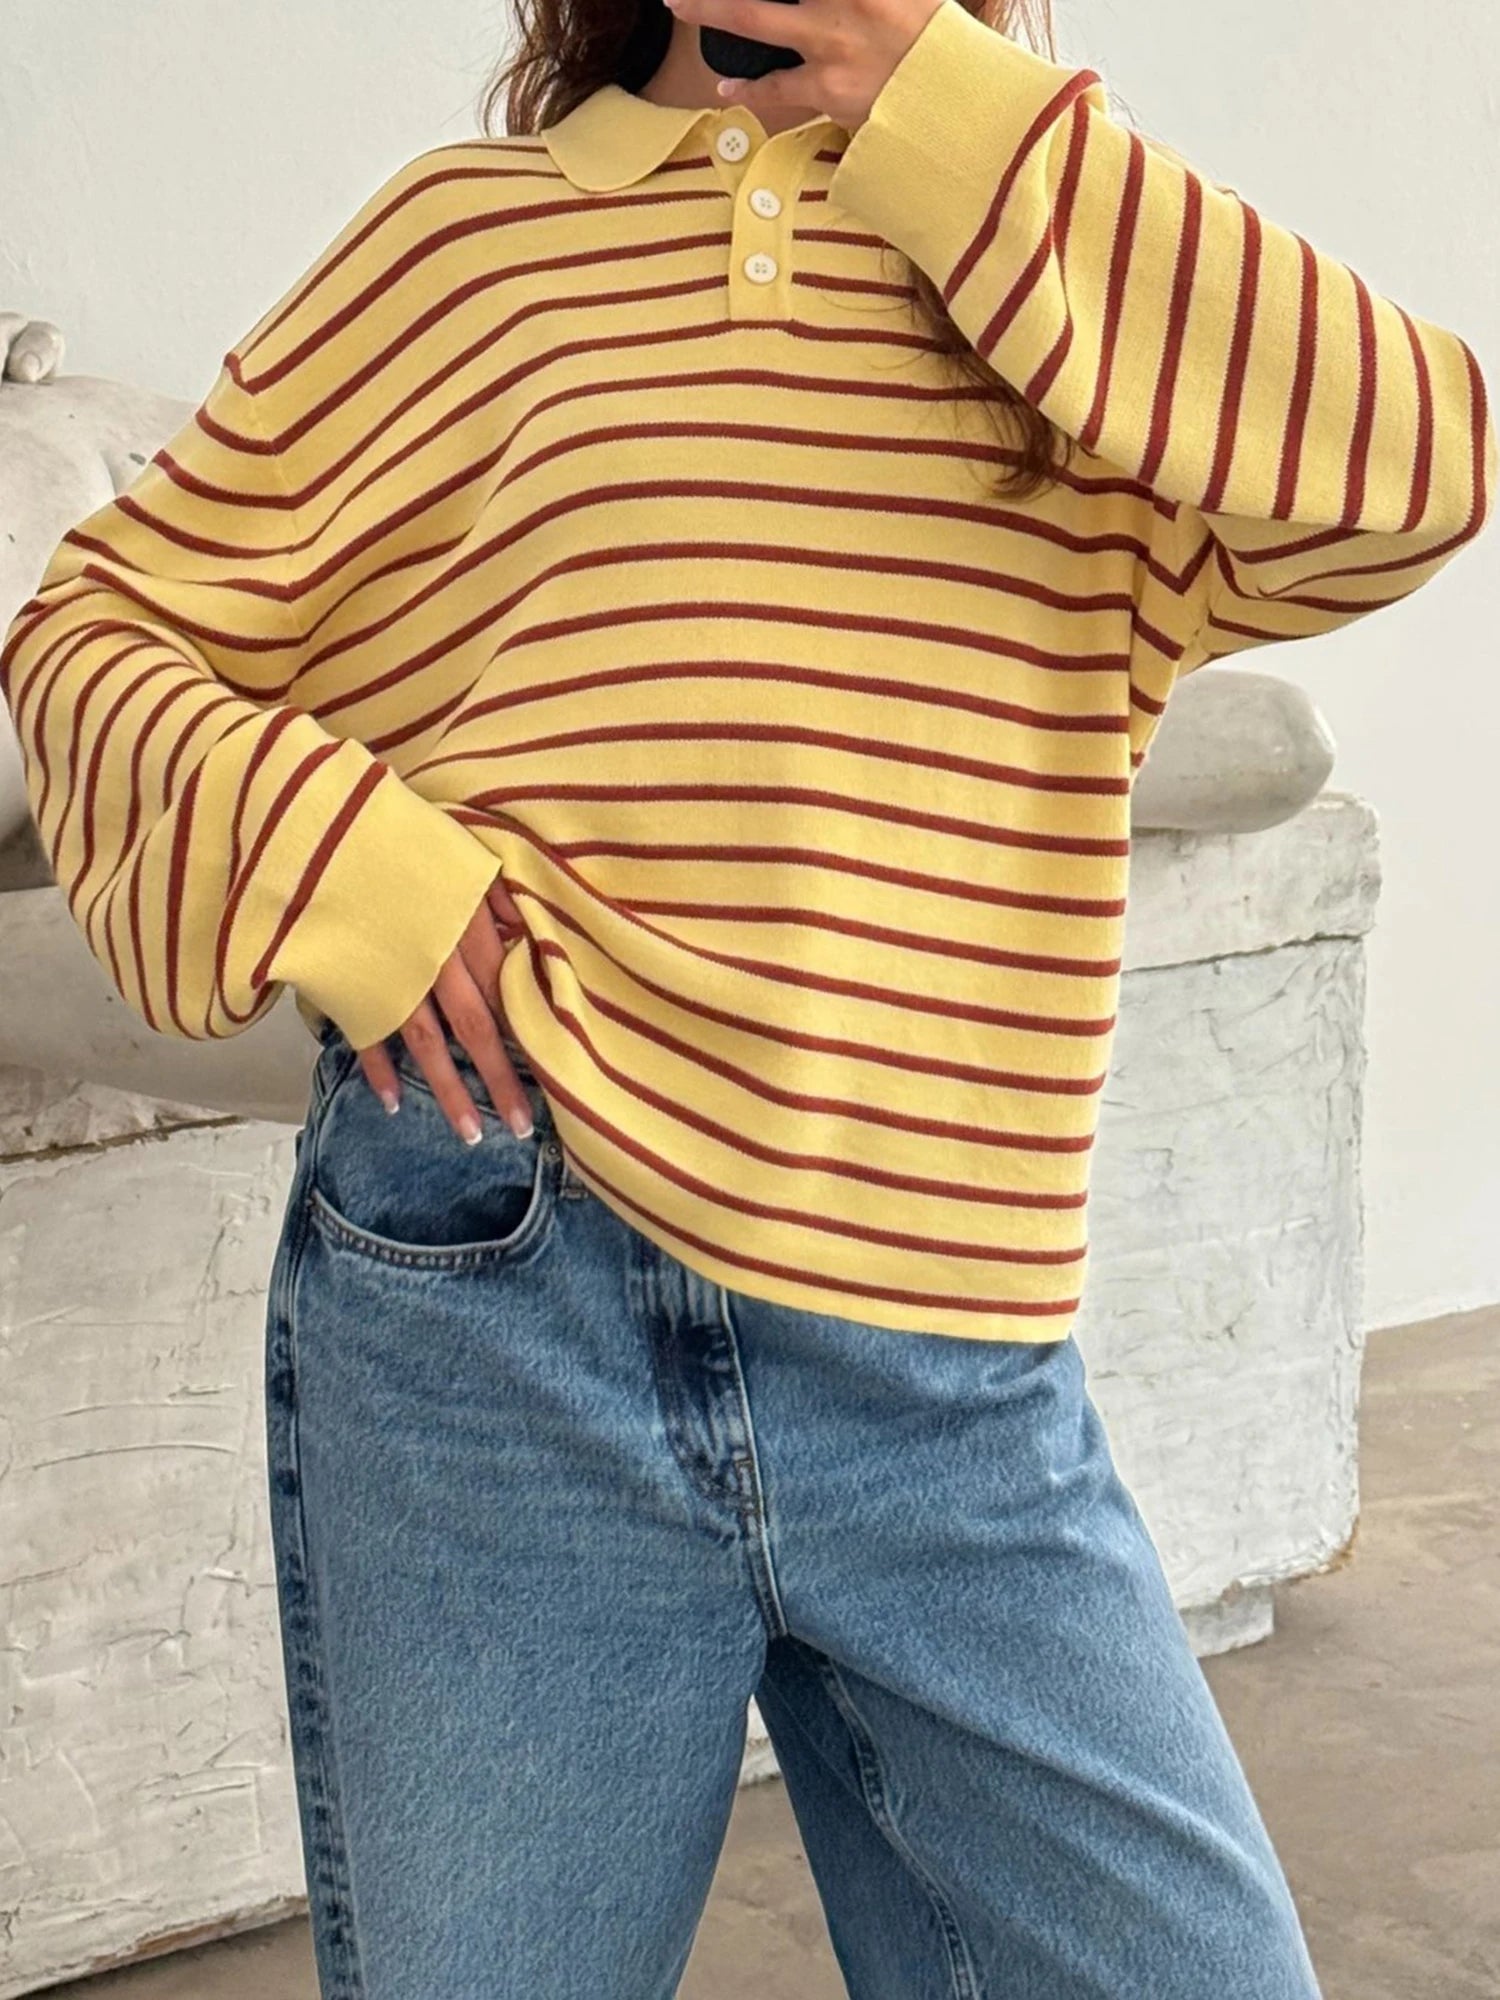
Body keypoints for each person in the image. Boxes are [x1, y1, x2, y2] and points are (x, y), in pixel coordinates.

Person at [2, 0, 1492, 1992]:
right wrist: (356, 874)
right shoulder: (468, 242)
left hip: (943, 1355)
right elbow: (92, 627)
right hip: (499, 1306)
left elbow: (1419, 465)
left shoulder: (1053, 252)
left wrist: (949, 106)